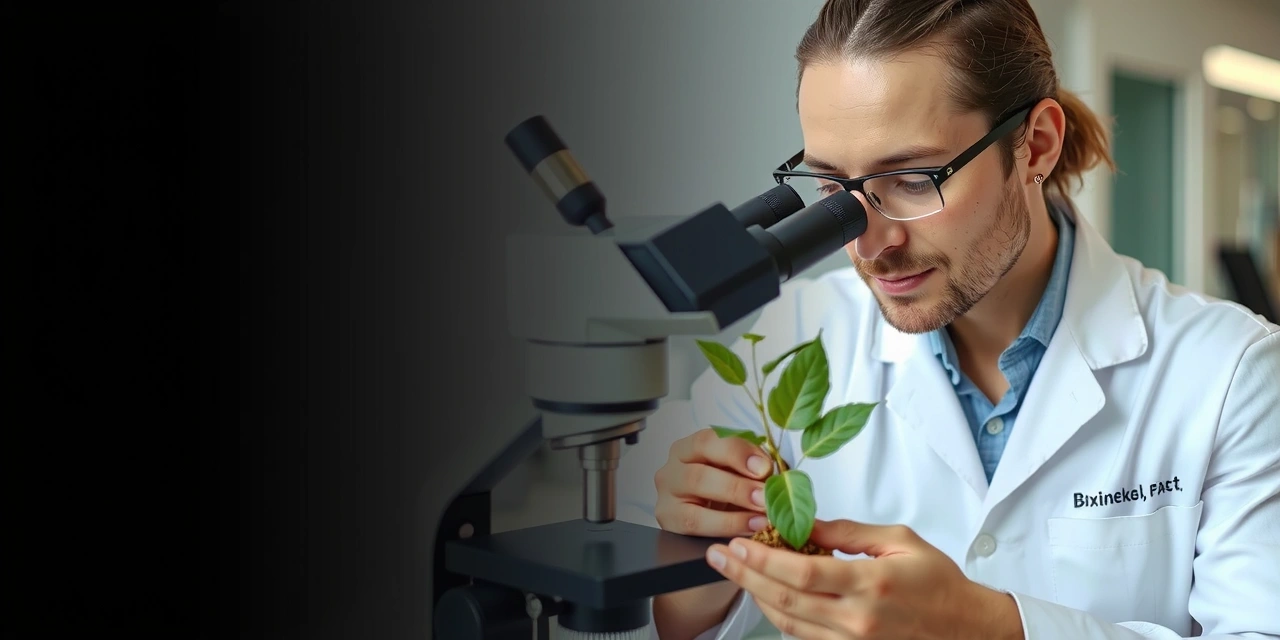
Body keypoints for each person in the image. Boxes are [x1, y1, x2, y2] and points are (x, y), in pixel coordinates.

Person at [614, 0, 1280, 638]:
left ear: (1036, 146)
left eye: (912, 179)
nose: (870, 245)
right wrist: (693, 587)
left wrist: (993, 628)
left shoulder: (1233, 374)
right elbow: (620, 614)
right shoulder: (785, 343)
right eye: (832, 189)